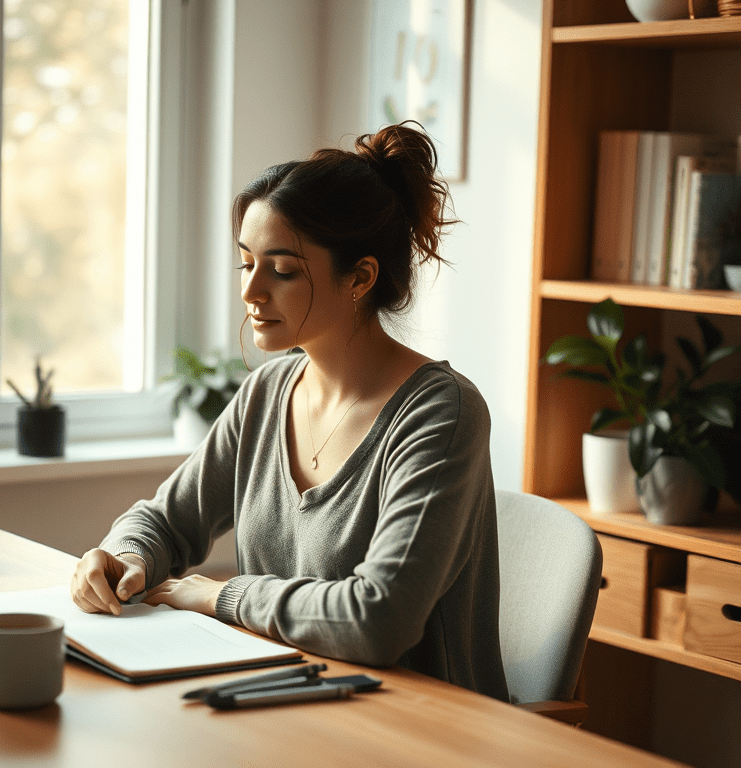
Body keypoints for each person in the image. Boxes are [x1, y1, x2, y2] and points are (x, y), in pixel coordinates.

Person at [71, 121, 509, 701]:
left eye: (281, 270)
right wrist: (124, 557)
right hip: (282, 701)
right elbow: (166, 521)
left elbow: (380, 618)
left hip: (420, 731)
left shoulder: (441, 415)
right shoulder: (268, 392)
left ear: (360, 277)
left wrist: (220, 596)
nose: (252, 291)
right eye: (245, 263)